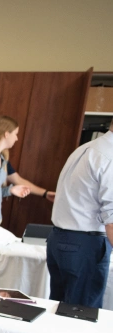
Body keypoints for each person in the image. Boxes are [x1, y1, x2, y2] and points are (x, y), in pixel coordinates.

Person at [47, 129, 113, 308]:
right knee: (81, 316)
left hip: (59, 239)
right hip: (85, 245)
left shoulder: (85, 148)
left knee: (61, 311)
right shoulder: (109, 157)